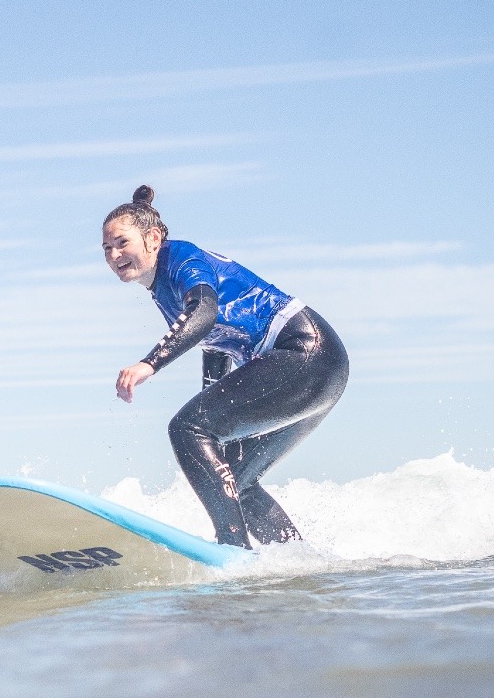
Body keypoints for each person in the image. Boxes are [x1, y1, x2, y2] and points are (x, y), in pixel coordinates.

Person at [102, 185, 349, 548]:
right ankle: (296, 559)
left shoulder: (181, 259)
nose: (113, 255)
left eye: (121, 243)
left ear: (153, 238)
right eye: (107, 249)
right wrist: (211, 398)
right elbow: (216, 340)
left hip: (304, 353)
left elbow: (204, 314)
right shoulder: (163, 285)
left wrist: (149, 363)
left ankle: (233, 548)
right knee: (234, 474)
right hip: (322, 368)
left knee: (186, 429)